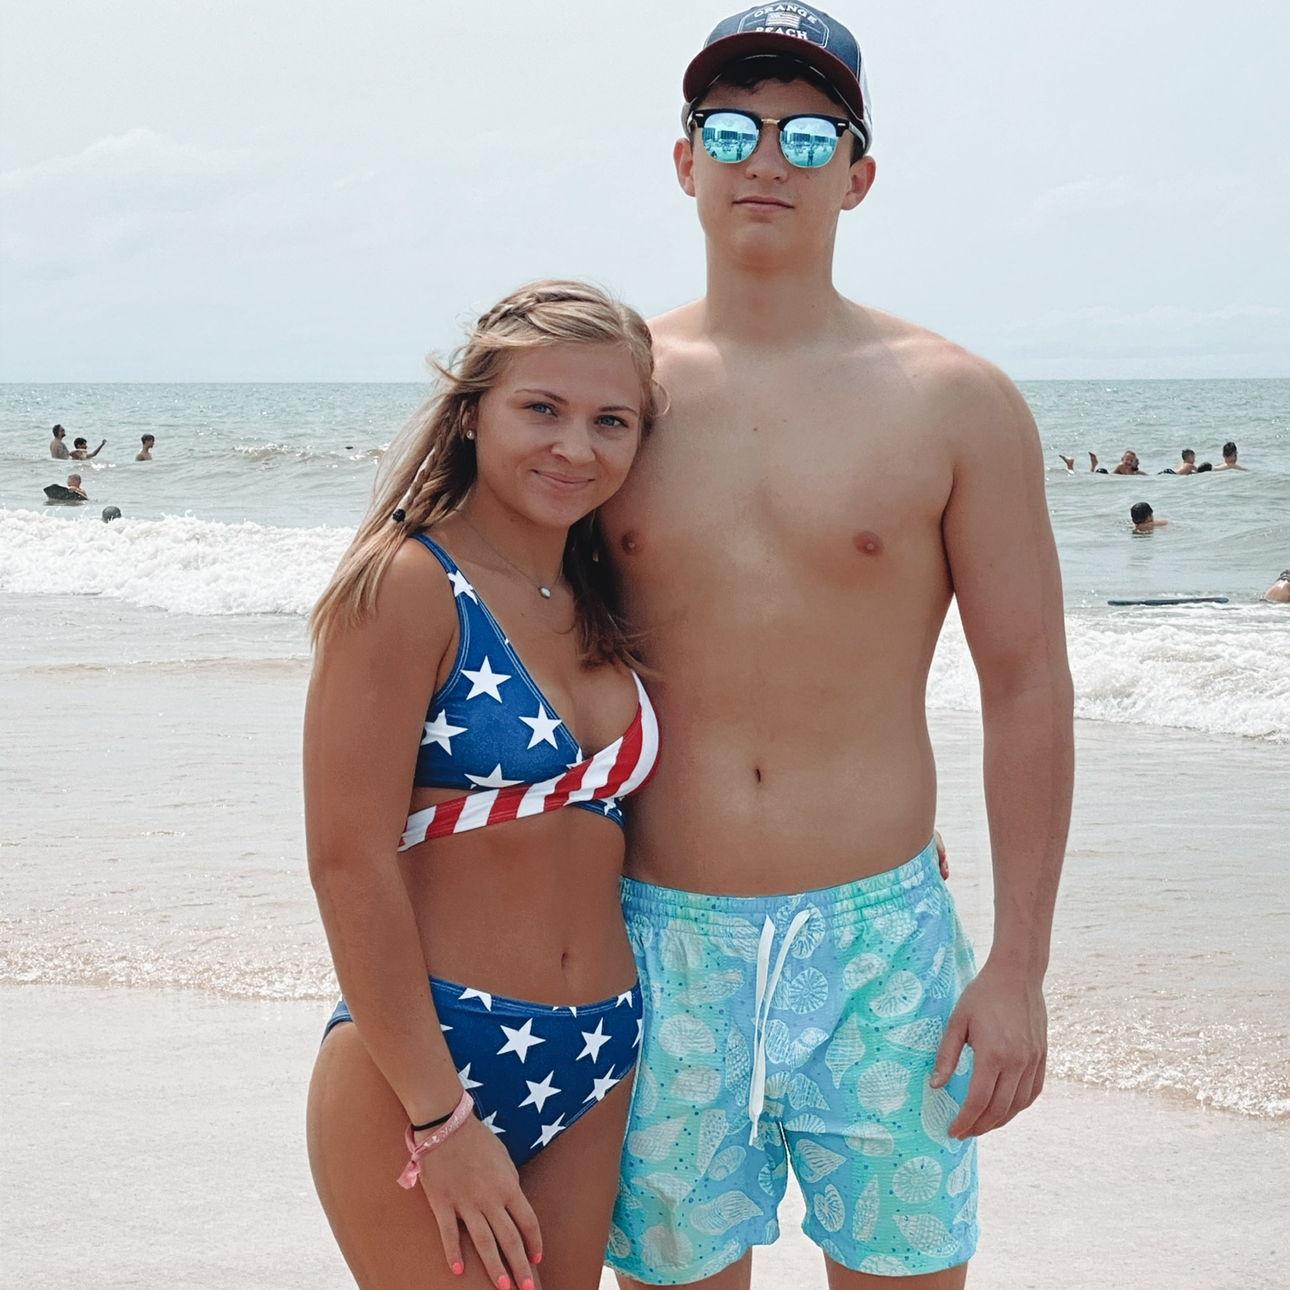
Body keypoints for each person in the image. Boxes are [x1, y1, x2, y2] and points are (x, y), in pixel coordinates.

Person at [601, 9, 1073, 1287]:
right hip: (656, 939)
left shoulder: (955, 400)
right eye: (732, 130)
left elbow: (1029, 684)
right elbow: (510, 639)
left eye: (810, 137)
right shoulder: (612, 398)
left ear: (858, 177)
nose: (768, 158)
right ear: (684, 160)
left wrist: (1019, 966)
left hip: (881, 950)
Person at [304, 282, 662, 1290]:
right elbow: (346, 860)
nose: (575, 447)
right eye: (541, 409)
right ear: (472, 415)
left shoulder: (604, 600)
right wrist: (441, 1119)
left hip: (600, 1052)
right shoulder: (406, 585)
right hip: (432, 1060)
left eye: (612, 421)